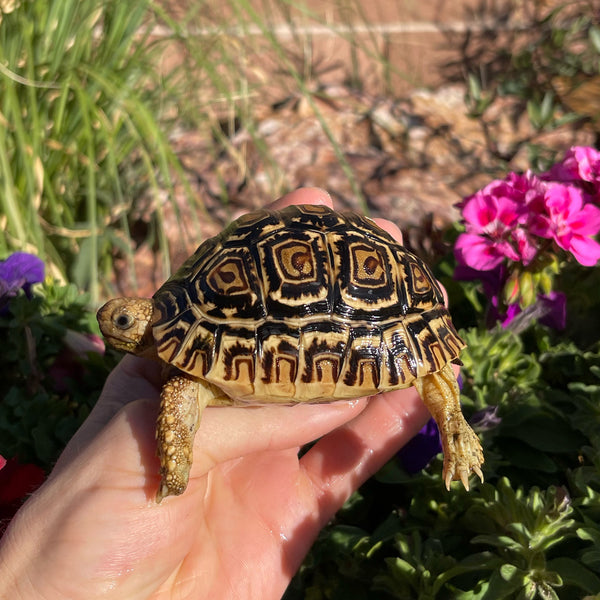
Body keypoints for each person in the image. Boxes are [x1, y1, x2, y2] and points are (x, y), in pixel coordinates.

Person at [0, 188, 444, 599]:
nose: (111, 329)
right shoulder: (184, 361)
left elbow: (181, 394)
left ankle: (455, 421)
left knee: (428, 370)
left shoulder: (184, 365)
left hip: (356, 307)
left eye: (122, 322)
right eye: (116, 322)